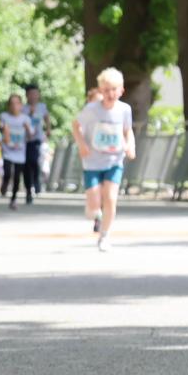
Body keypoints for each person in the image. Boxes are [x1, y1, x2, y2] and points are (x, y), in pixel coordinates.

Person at [71, 67, 135, 252]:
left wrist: (131, 145)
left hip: (114, 160)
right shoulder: (92, 109)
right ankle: (95, 212)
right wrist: (82, 144)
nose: (110, 94)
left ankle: (105, 235)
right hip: (92, 161)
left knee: (111, 198)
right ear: (100, 90)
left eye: (114, 89)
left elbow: (127, 130)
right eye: (106, 90)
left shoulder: (124, 110)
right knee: (93, 203)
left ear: (121, 90)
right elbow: (75, 126)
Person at [0, 94, 33, 210]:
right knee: (8, 173)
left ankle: (13, 199)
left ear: (21, 105)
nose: (14, 106)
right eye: (12, 103)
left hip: (20, 151)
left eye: (17, 103)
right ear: (9, 106)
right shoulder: (4, 116)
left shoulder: (25, 118)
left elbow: (31, 136)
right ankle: (4, 183)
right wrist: (4, 132)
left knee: (17, 177)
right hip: (7, 150)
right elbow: (1, 130)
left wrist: (28, 129)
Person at [23, 83, 50, 200]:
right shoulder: (23, 108)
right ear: (27, 95)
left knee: (34, 161)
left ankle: (36, 182)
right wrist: (30, 113)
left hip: (37, 139)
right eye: (31, 94)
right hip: (24, 140)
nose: (33, 96)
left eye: (36, 94)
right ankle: (28, 189)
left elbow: (47, 117)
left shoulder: (42, 106)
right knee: (26, 165)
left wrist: (48, 129)